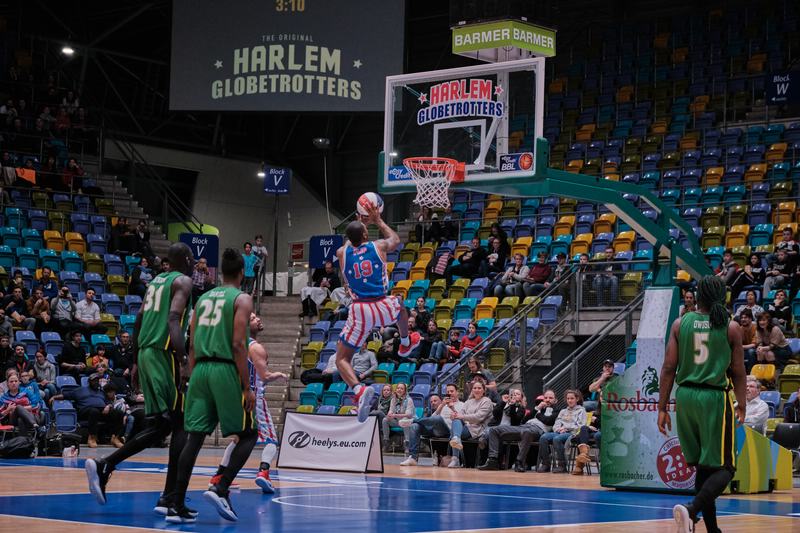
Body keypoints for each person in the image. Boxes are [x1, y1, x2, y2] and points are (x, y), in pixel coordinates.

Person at [84, 243, 195, 517]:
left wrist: (134, 360)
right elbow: (172, 318)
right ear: (186, 259)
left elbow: (140, 317)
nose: (194, 262)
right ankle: (169, 498)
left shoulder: (157, 281)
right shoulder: (183, 281)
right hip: (163, 353)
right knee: (181, 423)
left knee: (163, 424)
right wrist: (183, 361)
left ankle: (111, 467)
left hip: (146, 352)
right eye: (192, 258)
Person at [169, 248, 256, 523]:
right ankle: (221, 486)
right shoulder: (242, 298)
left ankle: (176, 504)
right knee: (249, 434)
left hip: (200, 370)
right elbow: (239, 344)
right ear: (242, 273)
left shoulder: (203, 297)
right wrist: (246, 386)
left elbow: (192, 341)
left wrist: (191, 375)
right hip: (224, 369)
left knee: (193, 437)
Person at [658, 275, 747, 533]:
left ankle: (712, 530)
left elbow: (667, 368)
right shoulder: (730, 327)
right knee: (727, 467)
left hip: (685, 397)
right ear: (723, 297)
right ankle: (691, 509)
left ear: (697, 296)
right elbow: (739, 372)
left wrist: (662, 407)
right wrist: (741, 403)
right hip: (714, 398)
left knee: (705, 466)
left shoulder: (679, 323)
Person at [334, 204, 421, 422]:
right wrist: (377, 220)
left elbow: (347, 242)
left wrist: (359, 224)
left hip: (359, 309)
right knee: (401, 306)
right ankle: (403, 342)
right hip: (381, 303)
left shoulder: (342, 253)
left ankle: (358, 391)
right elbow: (395, 240)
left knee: (341, 359)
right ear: (366, 234)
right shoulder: (378, 246)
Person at [207, 312, 288, 495]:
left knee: (238, 439)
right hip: (254, 398)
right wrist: (279, 375)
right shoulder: (255, 348)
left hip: (234, 398)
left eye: (257, 316)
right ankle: (264, 472)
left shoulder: (232, 346)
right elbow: (264, 376)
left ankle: (219, 476)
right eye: (252, 319)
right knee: (271, 440)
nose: (258, 319)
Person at [478, 389, 559, 472]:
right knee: (494, 430)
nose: (548, 400)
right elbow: (524, 420)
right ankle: (493, 460)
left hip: (538, 430)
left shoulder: (557, 410)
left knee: (526, 432)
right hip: (523, 426)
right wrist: (537, 408)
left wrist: (538, 414)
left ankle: (519, 462)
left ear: (555, 400)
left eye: (550, 398)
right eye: (546, 397)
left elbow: (549, 421)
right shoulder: (539, 408)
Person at [51, 373, 123, 448]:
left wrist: (108, 406)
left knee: (119, 413)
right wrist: (54, 397)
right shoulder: (81, 390)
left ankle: (115, 438)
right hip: (86, 411)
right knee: (94, 411)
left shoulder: (101, 392)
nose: (96, 382)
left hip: (102, 411)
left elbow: (109, 402)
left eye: (97, 380)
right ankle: (92, 437)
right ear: (89, 382)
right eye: (94, 380)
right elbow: (65, 395)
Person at [401, 383, 463, 466]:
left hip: (447, 430)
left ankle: (414, 420)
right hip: (434, 428)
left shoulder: (462, 405)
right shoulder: (443, 405)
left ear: (457, 392)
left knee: (438, 418)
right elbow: (431, 419)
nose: (450, 393)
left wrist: (452, 408)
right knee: (414, 427)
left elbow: (460, 420)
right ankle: (413, 458)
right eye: (448, 391)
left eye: (452, 391)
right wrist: (441, 405)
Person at [536, 390, 587, 473]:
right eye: (568, 399)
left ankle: (562, 465)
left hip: (572, 433)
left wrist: (566, 428)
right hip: (560, 432)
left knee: (557, 439)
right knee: (543, 437)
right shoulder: (563, 411)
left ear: (577, 399)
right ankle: (546, 464)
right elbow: (556, 424)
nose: (569, 400)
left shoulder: (581, 410)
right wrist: (558, 429)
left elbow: (581, 426)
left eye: (572, 398)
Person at [447, 379, 493, 467]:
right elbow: (461, 415)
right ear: (472, 390)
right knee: (455, 421)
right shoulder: (468, 402)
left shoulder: (486, 401)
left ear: (484, 390)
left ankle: (455, 458)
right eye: (475, 388)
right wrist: (453, 410)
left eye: (479, 388)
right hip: (466, 427)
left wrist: (460, 417)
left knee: (454, 432)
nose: (477, 390)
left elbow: (478, 418)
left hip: (477, 429)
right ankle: (456, 440)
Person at [0, 373, 38, 437]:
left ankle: (24, 442)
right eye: (11, 381)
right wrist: (8, 410)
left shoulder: (26, 391)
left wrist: (21, 409)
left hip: (30, 415)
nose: (14, 383)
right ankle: (35, 426)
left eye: (16, 381)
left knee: (20, 419)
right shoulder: (4, 398)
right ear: (7, 384)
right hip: (13, 419)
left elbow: (36, 405)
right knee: (18, 408)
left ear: (19, 382)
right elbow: (0, 415)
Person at [381, 382, 414, 453]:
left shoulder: (409, 400)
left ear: (405, 391)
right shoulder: (393, 399)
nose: (399, 390)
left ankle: (407, 444)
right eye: (398, 388)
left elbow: (408, 415)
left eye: (401, 388)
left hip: (409, 421)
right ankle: (386, 442)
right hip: (398, 421)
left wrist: (395, 415)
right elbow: (391, 410)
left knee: (404, 420)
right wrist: (389, 414)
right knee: (385, 420)